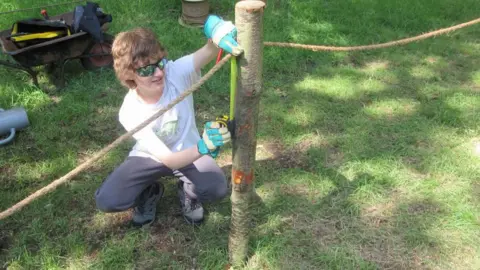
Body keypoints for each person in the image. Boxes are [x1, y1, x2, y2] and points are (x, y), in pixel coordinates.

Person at [94, 15, 242, 226]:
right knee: (107, 200)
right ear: (129, 76)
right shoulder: (129, 111)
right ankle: (148, 190)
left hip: (189, 151)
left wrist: (216, 30)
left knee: (216, 189)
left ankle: (188, 188)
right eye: (146, 70)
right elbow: (169, 160)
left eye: (159, 63)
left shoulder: (175, 72)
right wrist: (205, 146)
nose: (158, 73)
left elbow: (210, 49)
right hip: (151, 157)